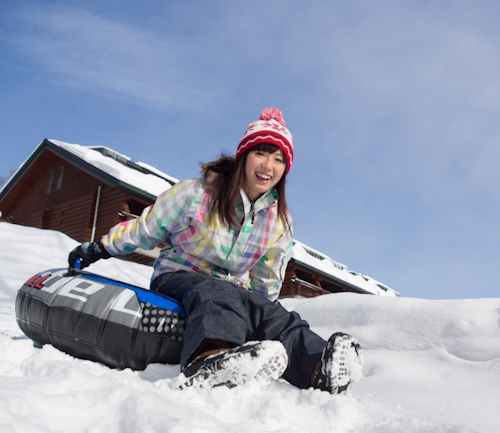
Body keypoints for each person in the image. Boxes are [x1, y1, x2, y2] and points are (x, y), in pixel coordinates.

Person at [68, 108, 363, 392]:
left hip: (232, 289)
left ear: (285, 169)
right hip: (177, 277)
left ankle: (318, 368)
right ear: (243, 157)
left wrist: (261, 313)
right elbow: (146, 228)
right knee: (217, 293)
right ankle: (211, 358)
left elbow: (267, 277)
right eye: (260, 153)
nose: (268, 166)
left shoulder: (278, 221)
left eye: (278, 159)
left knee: (275, 314)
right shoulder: (195, 194)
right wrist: (98, 248)